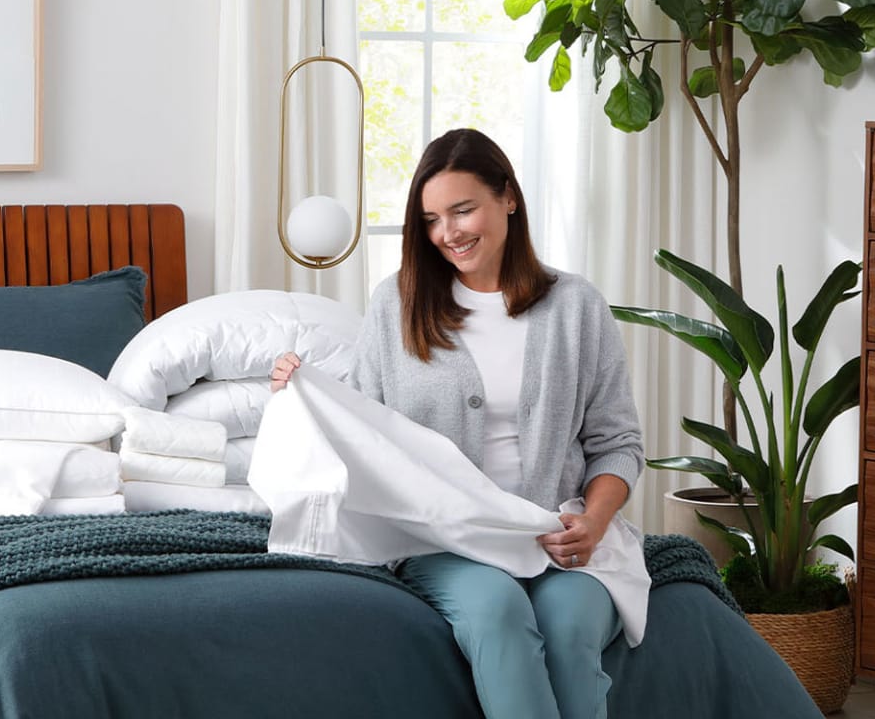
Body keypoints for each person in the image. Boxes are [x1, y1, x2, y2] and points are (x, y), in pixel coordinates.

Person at [270, 128, 644, 719]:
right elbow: (365, 425)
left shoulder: (576, 306)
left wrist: (593, 522)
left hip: (558, 534)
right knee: (498, 612)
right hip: (443, 536)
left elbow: (617, 443)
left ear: (508, 198)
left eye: (463, 210)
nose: (449, 233)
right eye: (432, 219)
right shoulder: (397, 302)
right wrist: (303, 390)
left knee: (569, 629)